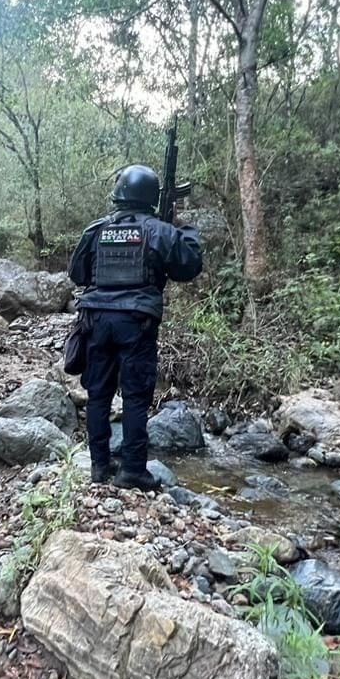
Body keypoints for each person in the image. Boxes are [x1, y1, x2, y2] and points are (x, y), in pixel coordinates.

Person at [69, 164, 203, 490]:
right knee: (134, 396)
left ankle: (100, 467)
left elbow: (77, 273)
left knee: (98, 394)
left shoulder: (96, 229)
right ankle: (132, 470)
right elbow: (189, 266)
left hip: (95, 320)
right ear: (150, 198)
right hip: (136, 322)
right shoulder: (159, 230)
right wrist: (182, 227)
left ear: (119, 195)